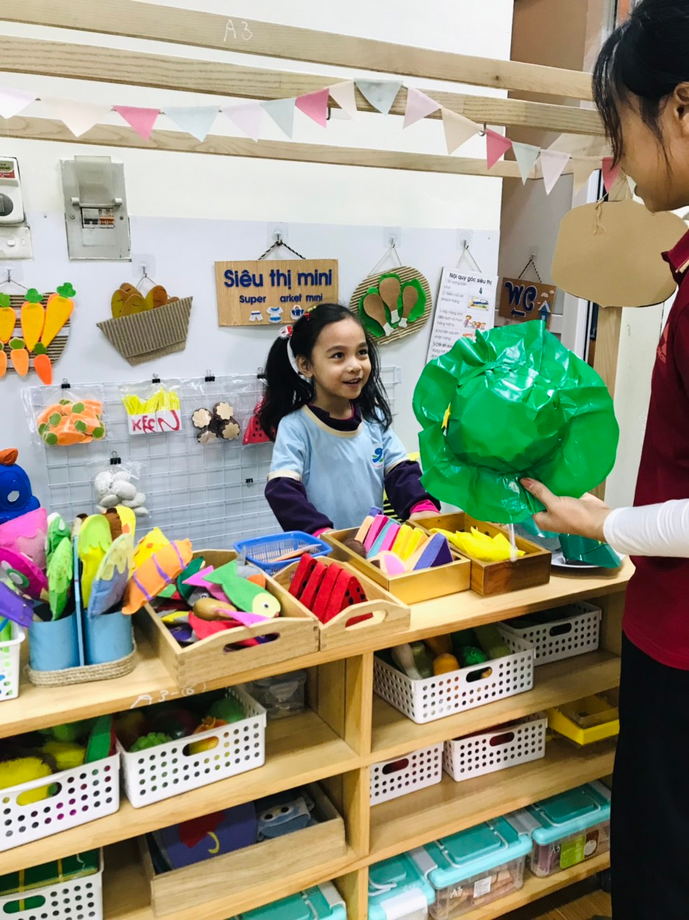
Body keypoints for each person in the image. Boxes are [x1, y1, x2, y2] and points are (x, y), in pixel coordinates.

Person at [523, 2, 689, 916]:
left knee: (659, 870)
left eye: (620, 125)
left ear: (681, 108)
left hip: (680, 641)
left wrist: (607, 521)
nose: (616, 158)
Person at [259, 303, 438, 533]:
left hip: (372, 546)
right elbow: (283, 490)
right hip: (324, 548)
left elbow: (400, 471)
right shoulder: (296, 427)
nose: (355, 366)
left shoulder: (374, 418)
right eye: (338, 355)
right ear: (306, 365)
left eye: (361, 352)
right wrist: (320, 532)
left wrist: (420, 506)